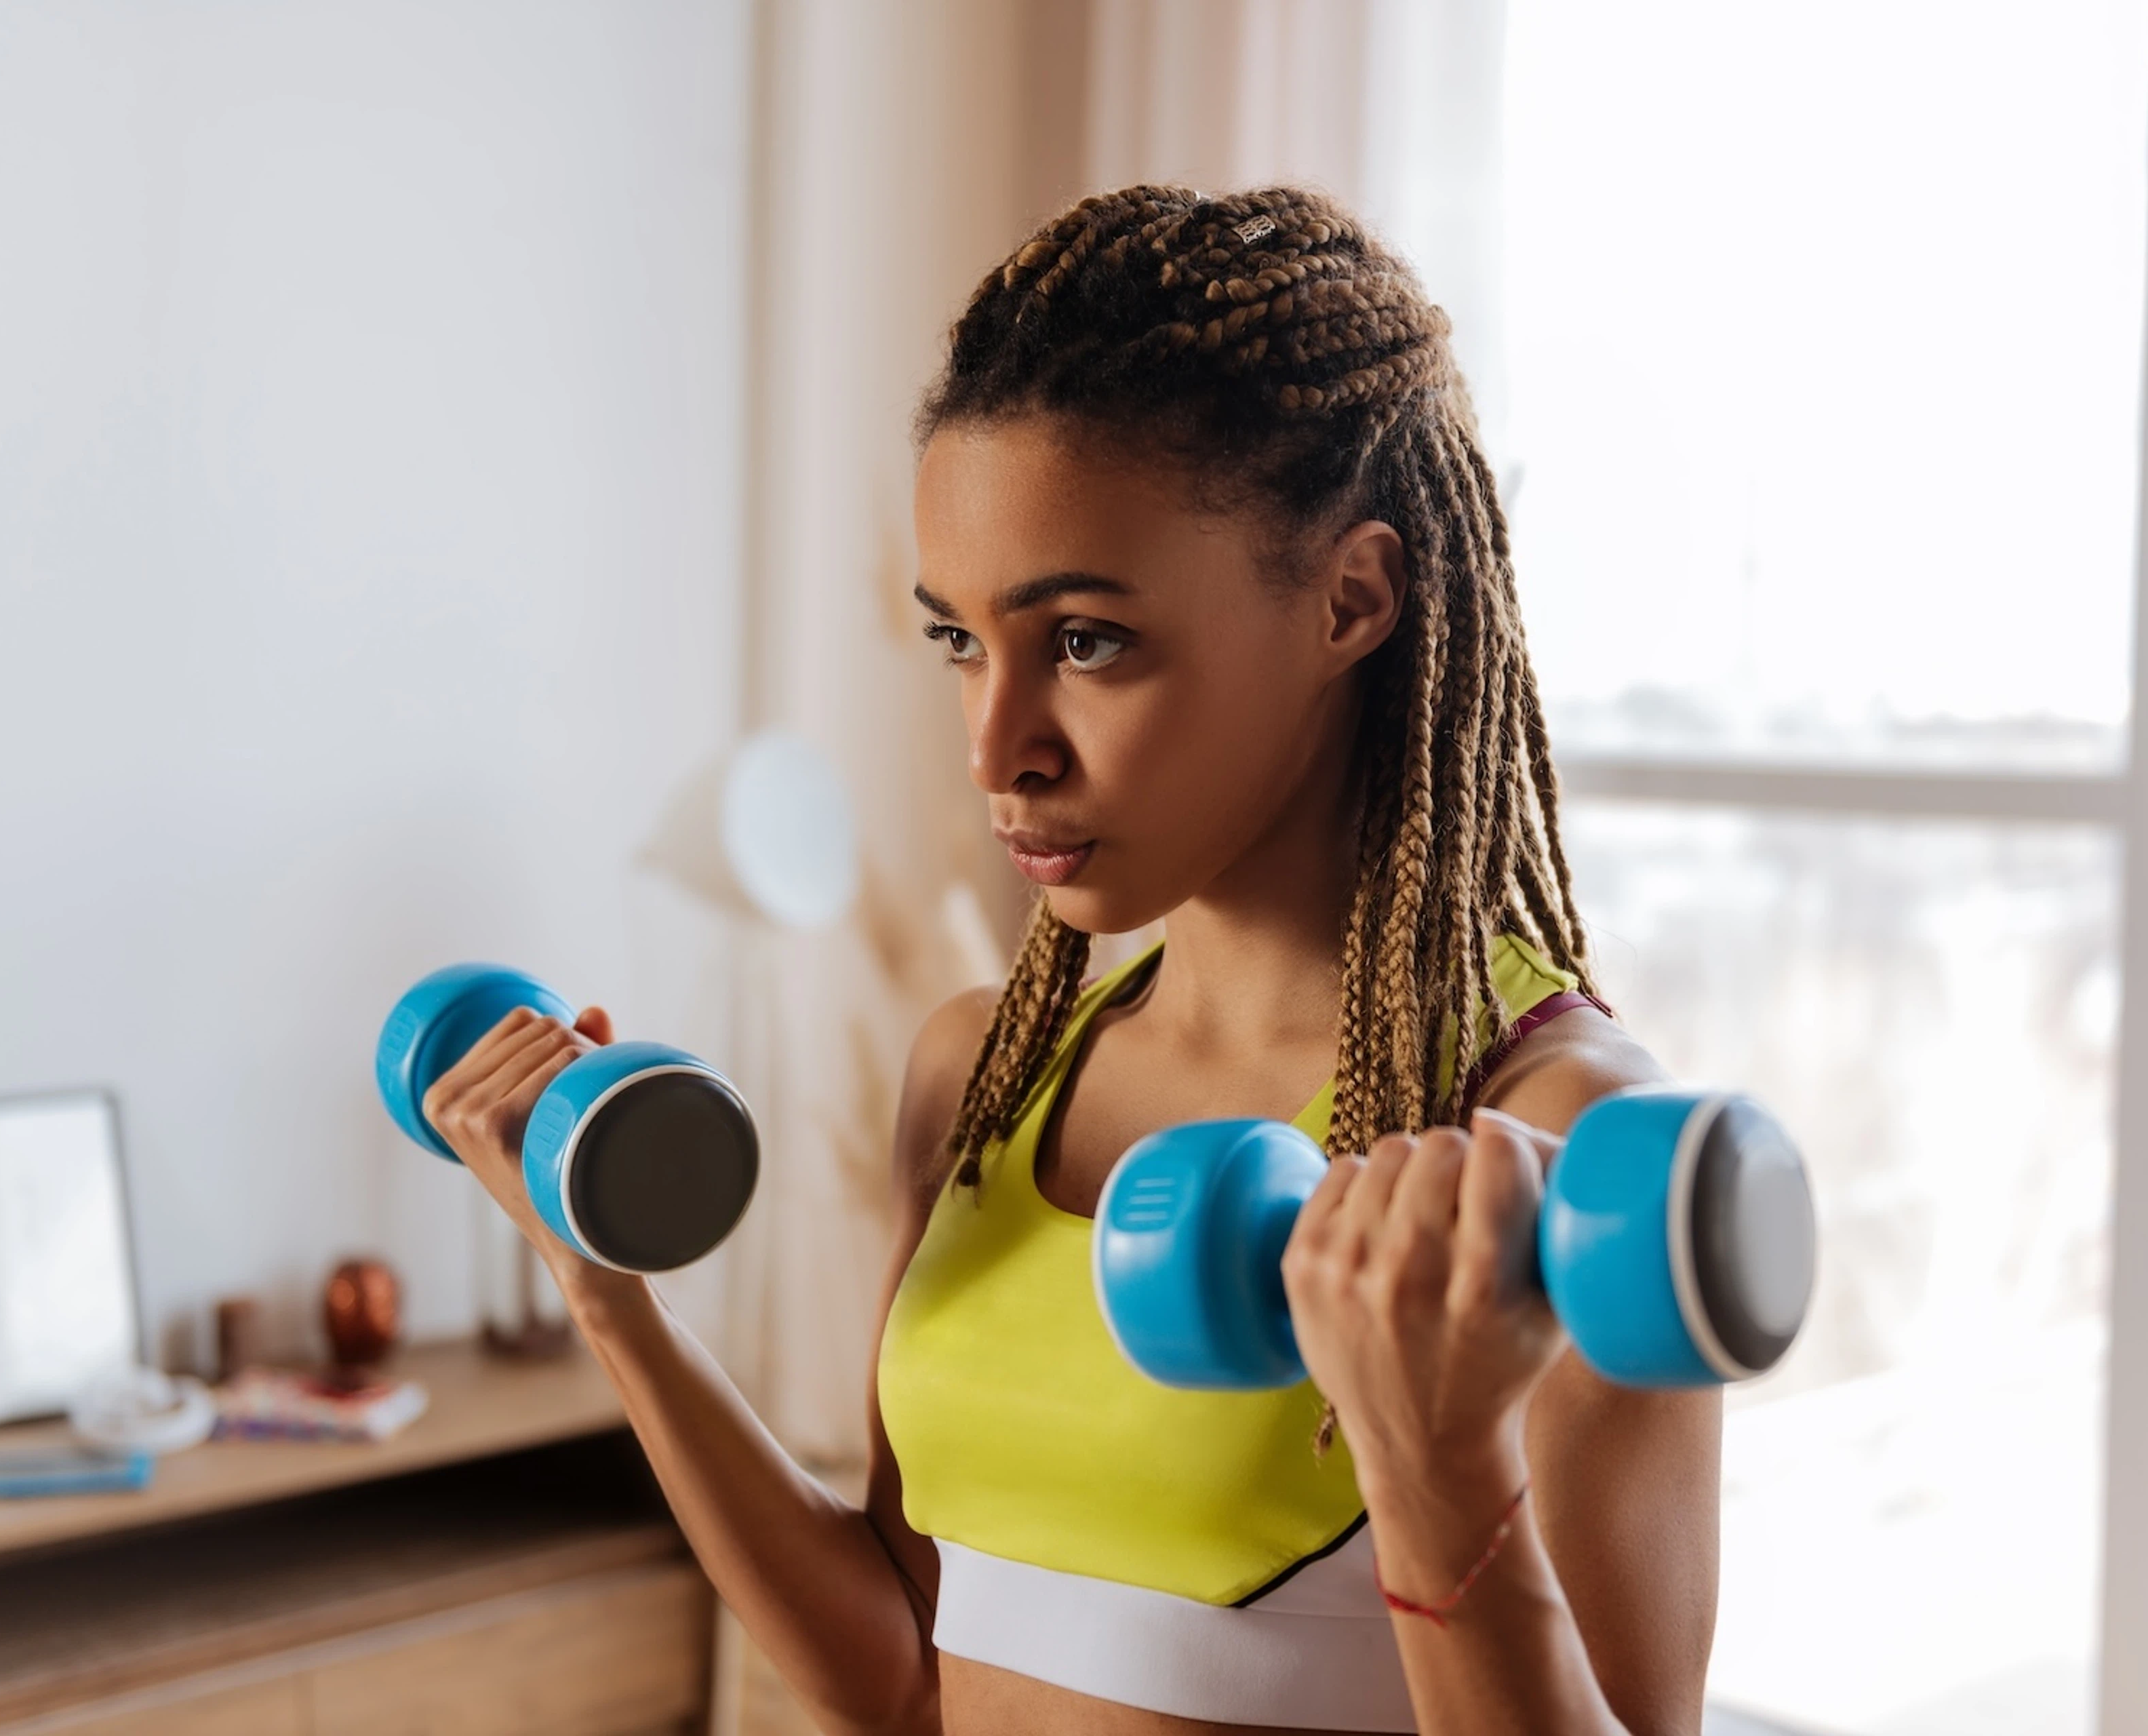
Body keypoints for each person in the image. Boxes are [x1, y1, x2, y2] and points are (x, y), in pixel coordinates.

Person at [422, 186, 1719, 1735]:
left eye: (1087, 639)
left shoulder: (1545, 1152)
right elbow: (902, 1673)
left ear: (1352, 599)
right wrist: (608, 1294)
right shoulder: (982, 1073)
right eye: (960, 638)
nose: (998, 747)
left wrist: (1439, 1479)